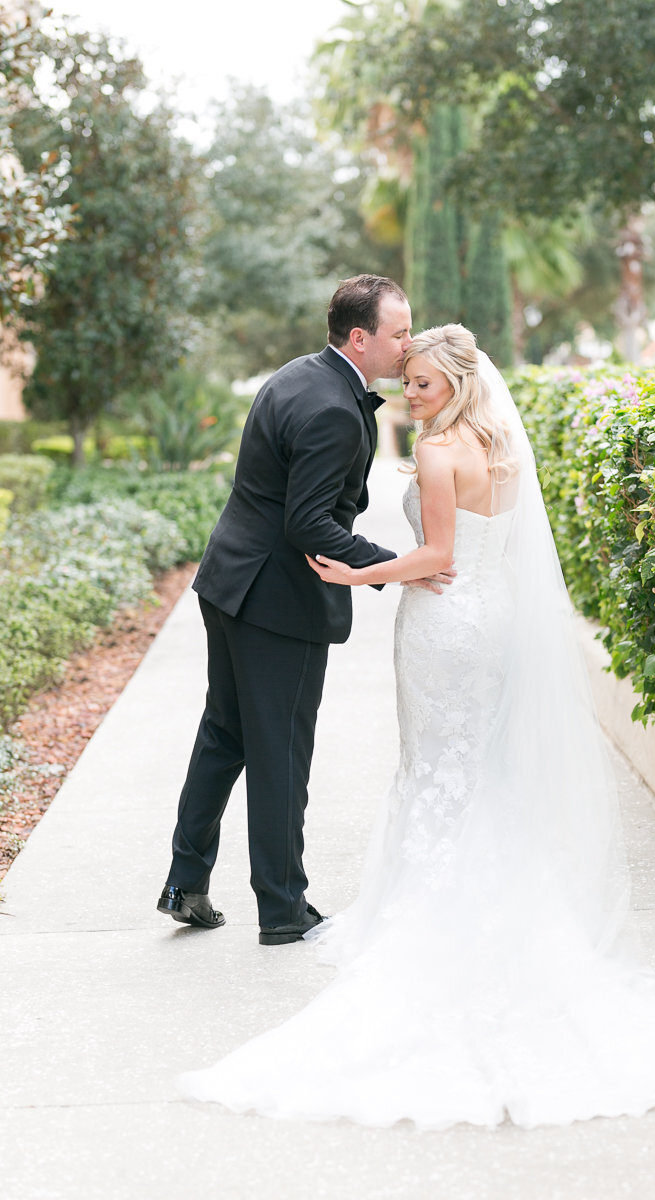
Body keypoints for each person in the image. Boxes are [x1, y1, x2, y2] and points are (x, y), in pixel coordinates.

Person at [178, 325, 655, 1127]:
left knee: (436, 766)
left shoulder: (446, 452)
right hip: (490, 620)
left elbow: (437, 555)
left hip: (445, 627)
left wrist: (361, 569)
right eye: (405, 379)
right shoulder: (501, 448)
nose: (406, 396)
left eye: (421, 383)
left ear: (455, 383)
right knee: (471, 767)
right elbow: (483, 551)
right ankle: (493, 907)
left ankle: (434, 917)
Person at [157, 276, 452, 946]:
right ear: (361, 337)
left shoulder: (299, 375)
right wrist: (394, 568)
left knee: (225, 735)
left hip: (229, 581)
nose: (408, 344)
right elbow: (310, 523)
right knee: (280, 751)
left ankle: (185, 881)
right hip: (274, 602)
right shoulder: (333, 410)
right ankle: (284, 909)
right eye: (399, 332)